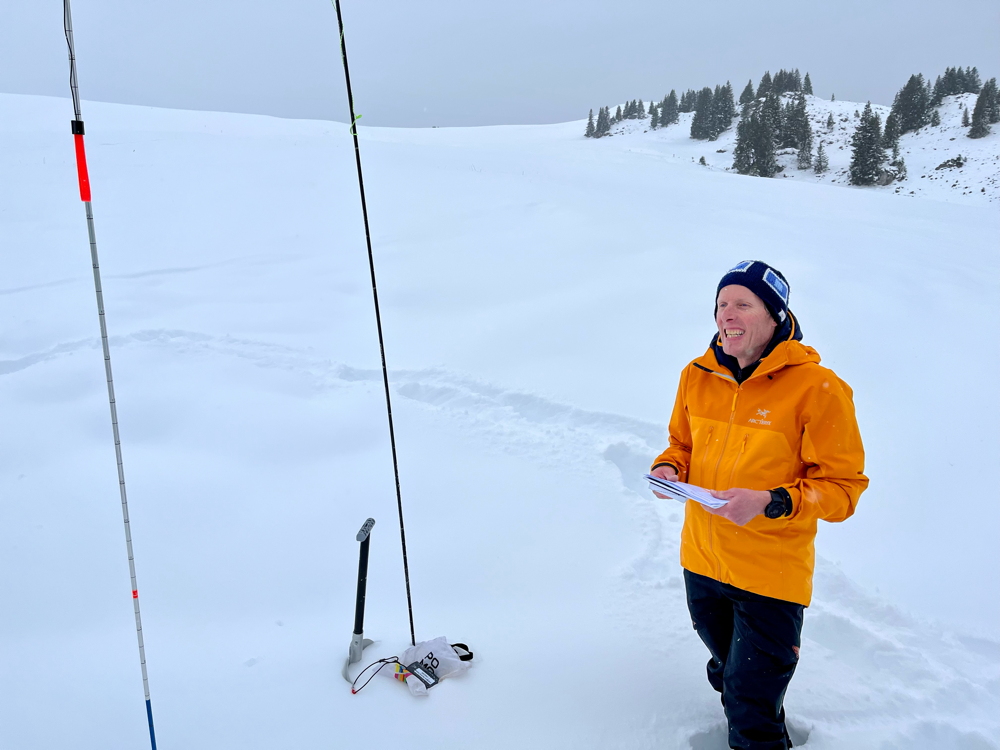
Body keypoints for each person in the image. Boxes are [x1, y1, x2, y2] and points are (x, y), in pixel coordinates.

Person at [650, 260, 868, 750]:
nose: (727, 314)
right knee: (728, 671)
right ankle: (746, 704)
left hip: (770, 575)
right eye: (721, 304)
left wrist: (771, 501)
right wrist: (669, 468)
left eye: (742, 304)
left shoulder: (818, 388)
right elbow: (681, 445)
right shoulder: (696, 375)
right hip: (702, 563)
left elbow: (843, 488)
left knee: (752, 702)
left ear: (774, 316)